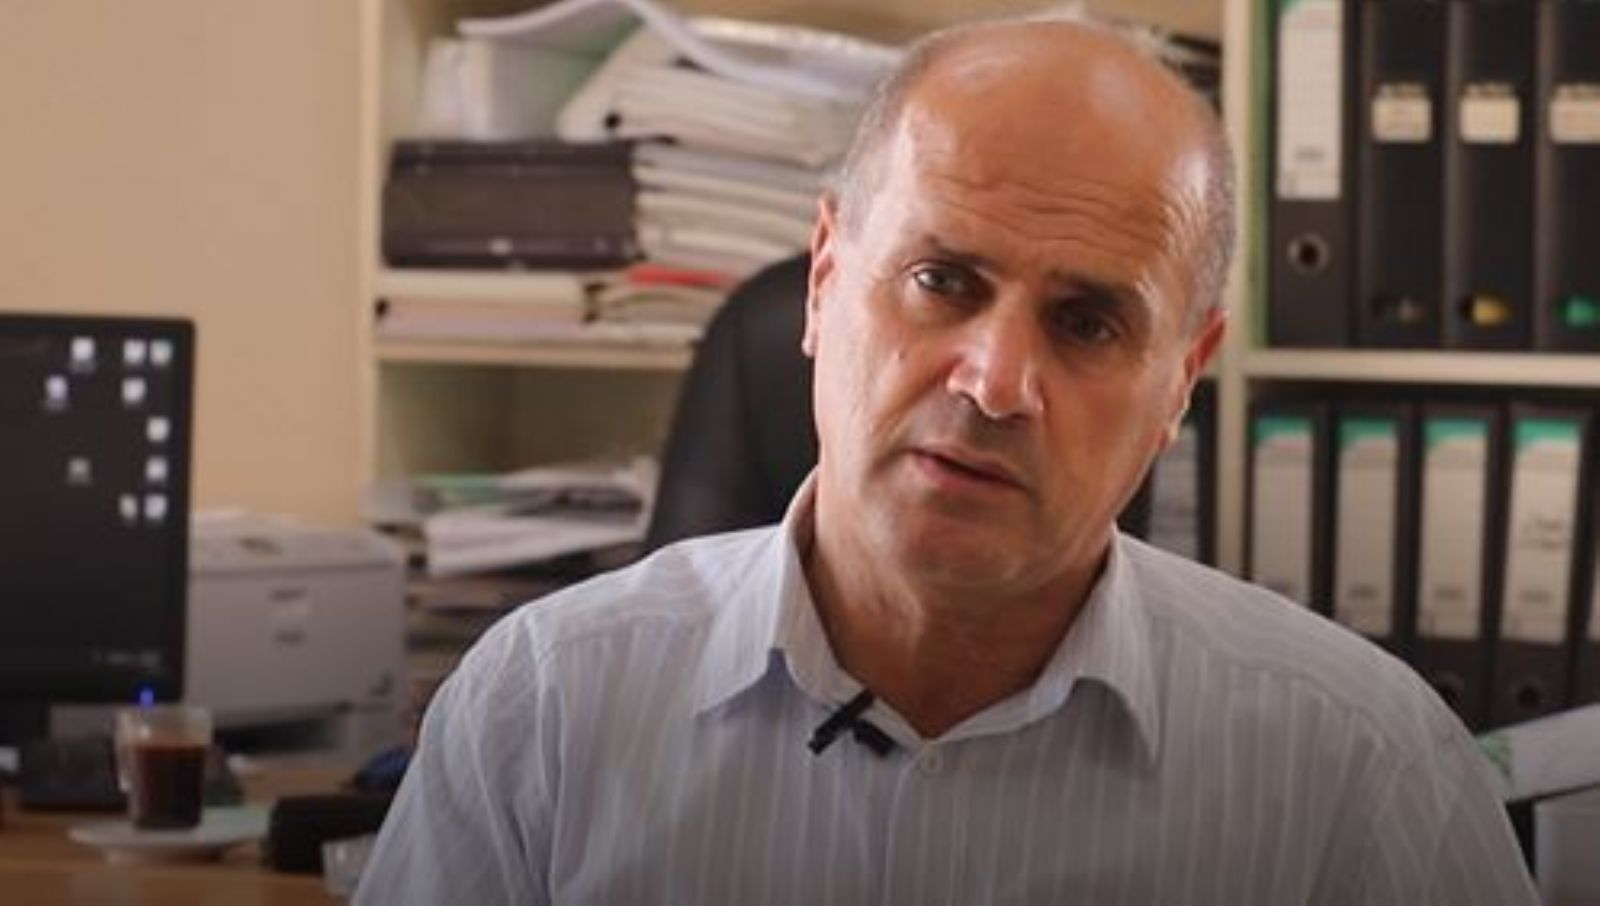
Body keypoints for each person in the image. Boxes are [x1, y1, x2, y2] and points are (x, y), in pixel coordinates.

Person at [356, 18, 1536, 905]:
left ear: (1182, 377)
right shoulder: (543, 710)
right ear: (824, 282)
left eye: (1086, 323)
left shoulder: (1362, 772)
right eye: (942, 281)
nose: (994, 382)